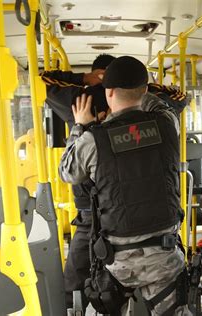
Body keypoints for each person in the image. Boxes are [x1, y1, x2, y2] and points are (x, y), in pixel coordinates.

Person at [59, 56, 190, 316]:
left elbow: (67, 172)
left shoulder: (92, 140)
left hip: (118, 260)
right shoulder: (168, 123)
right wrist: (141, 89)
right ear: (144, 90)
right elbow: (158, 102)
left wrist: (79, 125)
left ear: (108, 93)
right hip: (163, 254)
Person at [42, 54, 116, 309]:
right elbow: (178, 97)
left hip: (89, 212)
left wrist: (83, 79)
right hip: (124, 208)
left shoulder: (79, 100)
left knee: (73, 284)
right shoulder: (137, 103)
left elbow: (43, 80)